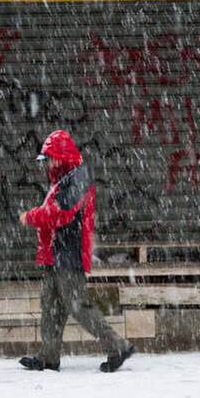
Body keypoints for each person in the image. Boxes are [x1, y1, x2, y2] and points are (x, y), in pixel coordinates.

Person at [17, 129, 134, 373]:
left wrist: (31, 217)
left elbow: (61, 214)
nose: (47, 164)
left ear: (61, 156)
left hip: (69, 257)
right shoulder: (62, 180)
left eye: (49, 158)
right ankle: (48, 357)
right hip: (56, 255)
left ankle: (117, 346)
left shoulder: (78, 179)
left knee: (77, 306)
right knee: (51, 308)